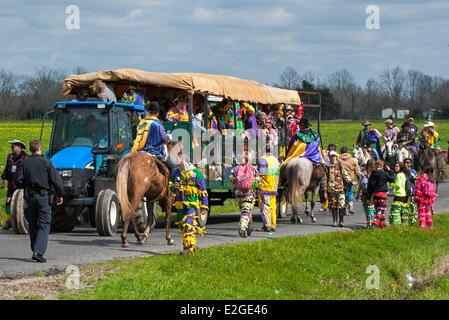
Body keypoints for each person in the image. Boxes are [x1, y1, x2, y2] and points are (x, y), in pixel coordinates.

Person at [14, 140, 64, 263]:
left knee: (33, 223)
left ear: (30, 149)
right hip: (43, 197)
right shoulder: (47, 162)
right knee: (44, 224)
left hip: (29, 197)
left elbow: (18, 181)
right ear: (40, 148)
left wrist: (28, 184)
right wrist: (60, 195)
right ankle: (38, 252)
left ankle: (35, 247)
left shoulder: (24, 163)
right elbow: (56, 181)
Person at [171, 155, 208, 255]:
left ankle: (191, 249)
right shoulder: (176, 172)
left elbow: (203, 190)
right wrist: (173, 186)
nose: (181, 164)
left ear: (187, 162)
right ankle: (186, 247)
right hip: (180, 204)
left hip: (192, 204)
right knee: (183, 226)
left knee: (189, 224)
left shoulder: (196, 173)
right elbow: (170, 187)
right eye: (178, 162)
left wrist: (204, 206)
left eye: (182, 161)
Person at [230, 153, 259, 238]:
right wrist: (252, 186)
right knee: (246, 211)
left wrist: (237, 184)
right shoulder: (253, 169)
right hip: (249, 194)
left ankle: (248, 227)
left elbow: (231, 179)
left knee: (244, 210)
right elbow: (257, 182)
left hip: (239, 194)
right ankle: (242, 228)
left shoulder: (236, 169)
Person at [1, 140, 28, 230]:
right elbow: (7, 168)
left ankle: (21, 221)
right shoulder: (10, 156)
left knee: (20, 204)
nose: (12, 147)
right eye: (12, 146)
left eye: (15, 146)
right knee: (8, 203)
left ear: (20, 147)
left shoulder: (25, 157)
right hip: (11, 185)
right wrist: (3, 178)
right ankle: (9, 222)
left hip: (20, 185)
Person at [323, 151, 352, 227]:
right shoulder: (327, 167)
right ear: (329, 158)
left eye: (334, 156)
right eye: (331, 156)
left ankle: (341, 221)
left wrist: (350, 181)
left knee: (342, 205)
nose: (332, 158)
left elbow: (344, 174)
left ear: (336, 157)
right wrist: (325, 191)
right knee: (333, 206)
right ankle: (335, 221)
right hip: (331, 190)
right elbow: (325, 179)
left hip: (340, 189)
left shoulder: (339, 165)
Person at [257, 145, 280, 232]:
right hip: (273, 187)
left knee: (265, 207)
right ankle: (273, 225)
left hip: (264, 186)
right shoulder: (275, 160)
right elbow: (277, 174)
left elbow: (262, 174)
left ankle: (266, 225)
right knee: (272, 207)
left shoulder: (263, 159)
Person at [367, 160, 395, 228]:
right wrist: (389, 171)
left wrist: (369, 196)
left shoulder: (372, 174)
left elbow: (369, 185)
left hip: (375, 194)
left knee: (379, 209)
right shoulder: (384, 173)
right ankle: (375, 223)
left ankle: (382, 224)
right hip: (382, 194)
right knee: (380, 210)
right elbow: (392, 179)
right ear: (382, 166)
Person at [338, 146, 361, 214]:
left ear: (341, 152)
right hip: (350, 179)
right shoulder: (353, 160)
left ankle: (345, 208)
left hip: (340, 179)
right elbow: (357, 171)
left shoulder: (338, 160)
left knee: (342, 193)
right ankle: (351, 206)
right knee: (349, 191)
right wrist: (358, 180)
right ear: (348, 151)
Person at [358, 159, 376, 228]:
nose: (371, 167)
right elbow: (360, 184)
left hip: (372, 194)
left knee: (371, 209)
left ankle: (371, 224)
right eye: (369, 166)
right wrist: (357, 194)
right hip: (364, 193)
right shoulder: (363, 174)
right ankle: (368, 222)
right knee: (366, 209)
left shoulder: (375, 174)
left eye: (372, 166)